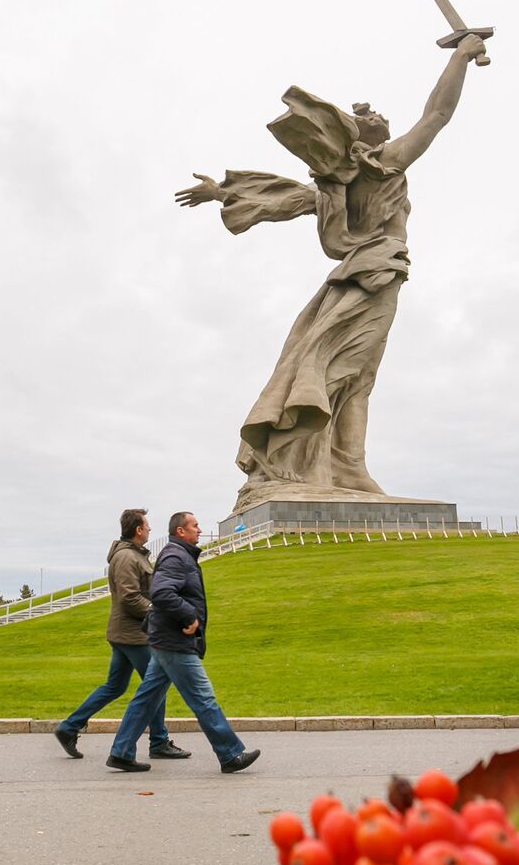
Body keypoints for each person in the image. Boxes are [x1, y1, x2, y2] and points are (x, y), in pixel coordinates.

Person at [174, 34, 487, 509]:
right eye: (365, 117)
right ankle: (325, 465)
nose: (375, 114)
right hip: (375, 274)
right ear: (355, 138)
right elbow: (437, 115)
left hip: (363, 276)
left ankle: (346, 466)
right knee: (346, 372)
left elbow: (280, 201)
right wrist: (461, 57)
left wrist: (221, 194)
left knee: (355, 375)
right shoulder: (385, 164)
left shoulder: (330, 185)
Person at [107, 511, 260, 774]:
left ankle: (121, 752)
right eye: (195, 526)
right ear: (181, 531)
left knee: (146, 698)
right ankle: (230, 753)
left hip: (165, 639)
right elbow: (162, 592)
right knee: (203, 697)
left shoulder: (179, 555)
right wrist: (188, 616)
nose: (200, 530)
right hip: (174, 641)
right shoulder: (176, 556)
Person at [53, 509, 188, 760]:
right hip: (134, 635)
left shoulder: (133, 555)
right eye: (147, 526)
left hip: (124, 633)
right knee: (155, 685)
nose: (149, 529)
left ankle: (69, 727)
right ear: (138, 530)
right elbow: (129, 597)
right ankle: (158, 741)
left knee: (114, 686)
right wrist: (157, 612)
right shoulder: (127, 557)